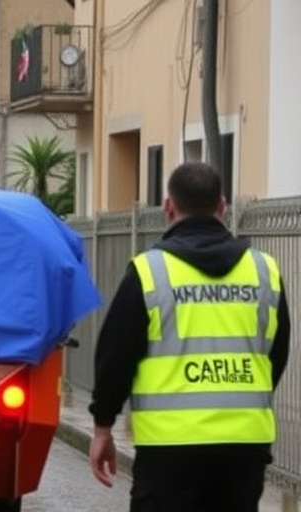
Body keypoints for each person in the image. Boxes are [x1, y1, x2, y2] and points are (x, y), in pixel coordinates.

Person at [88, 162, 291, 512]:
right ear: (222, 207)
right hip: (244, 446)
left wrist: (103, 426)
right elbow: (278, 352)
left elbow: (116, 357)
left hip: (169, 448)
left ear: (169, 208)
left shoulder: (150, 271)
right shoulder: (264, 270)